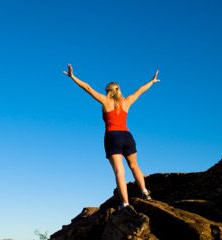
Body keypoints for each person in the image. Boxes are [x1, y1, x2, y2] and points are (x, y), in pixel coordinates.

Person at [63, 64, 160, 209]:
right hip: (127, 136)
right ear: (118, 90)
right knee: (134, 165)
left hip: (112, 136)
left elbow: (88, 88)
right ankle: (145, 192)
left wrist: (73, 77)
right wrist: (152, 81)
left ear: (108, 91)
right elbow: (140, 90)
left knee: (119, 171)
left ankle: (126, 203)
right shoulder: (126, 102)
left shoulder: (105, 101)